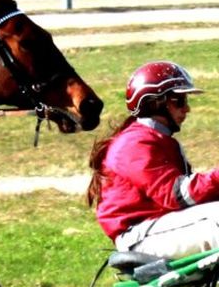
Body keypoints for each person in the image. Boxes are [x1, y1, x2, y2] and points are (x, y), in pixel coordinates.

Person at [88, 61, 219, 259]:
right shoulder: (134, 143)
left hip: (160, 226)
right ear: (155, 103)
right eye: (179, 101)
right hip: (140, 236)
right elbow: (177, 195)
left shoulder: (156, 138)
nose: (187, 109)